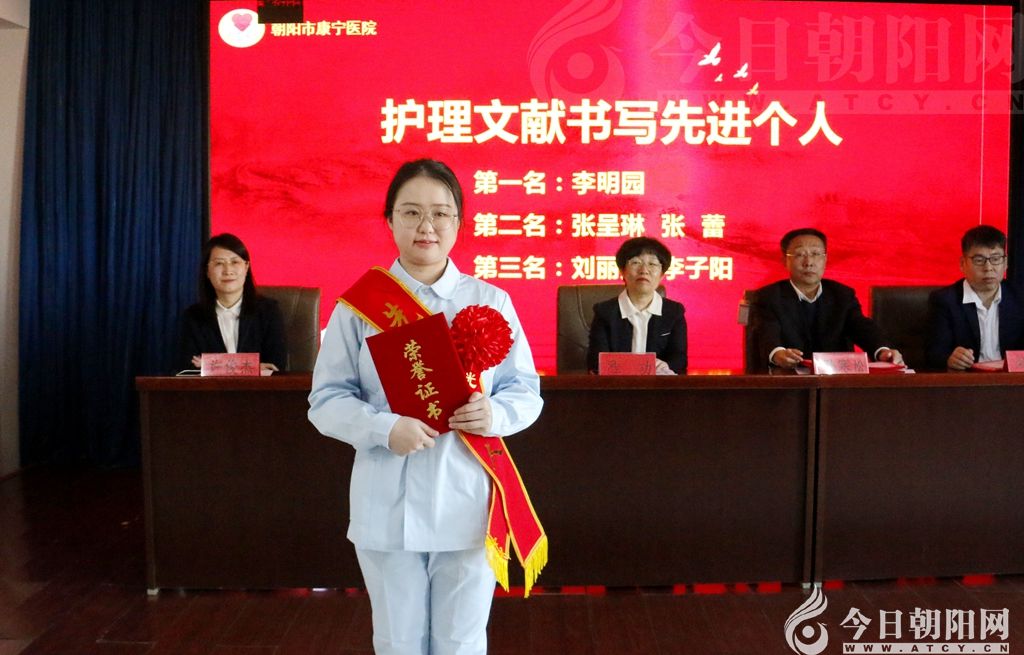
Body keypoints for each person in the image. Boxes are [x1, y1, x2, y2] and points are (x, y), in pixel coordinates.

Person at [307, 159, 543, 655]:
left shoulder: (491, 300)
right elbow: (325, 400)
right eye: (411, 212)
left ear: (459, 221)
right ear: (390, 219)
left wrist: (495, 415)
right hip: (386, 500)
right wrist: (383, 428)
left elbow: (525, 390)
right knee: (397, 641)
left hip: (468, 497)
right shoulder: (358, 306)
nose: (426, 226)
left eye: (440, 213)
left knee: (461, 641)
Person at [747, 227, 902, 372]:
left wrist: (882, 351)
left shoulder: (842, 295)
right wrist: (778, 354)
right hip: (788, 379)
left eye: (815, 254)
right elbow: (766, 334)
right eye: (799, 254)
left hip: (836, 381)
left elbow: (862, 327)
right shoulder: (767, 297)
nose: (809, 263)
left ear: (825, 259)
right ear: (784, 260)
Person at [177, 233, 286, 372]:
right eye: (219, 263)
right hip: (212, 388)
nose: (228, 271)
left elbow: (275, 366)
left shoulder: (268, 311)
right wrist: (252, 368)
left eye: (235, 262)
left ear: (246, 267)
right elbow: (187, 370)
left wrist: (211, 366)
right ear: (207, 271)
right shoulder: (193, 317)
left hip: (257, 387)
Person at [926, 225, 1024, 370]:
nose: (988, 268)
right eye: (979, 260)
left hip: (1011, 380)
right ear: (962, 264)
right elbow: (934, 354)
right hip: (968, 380)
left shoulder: (1019, 298)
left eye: (996, 259)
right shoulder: (944, 301)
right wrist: (949, 359)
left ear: (1005, 263)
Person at [586, 236, 687, 374]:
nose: (644, 270)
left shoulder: (674, 312)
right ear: (622, 271)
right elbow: (596, 362)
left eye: (652, 264)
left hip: (659, 385)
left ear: (662, 274)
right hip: (616, 385)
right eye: (635, 262)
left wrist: (663, 367)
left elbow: (679, 360)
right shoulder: (605, 312)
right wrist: (646, 366)